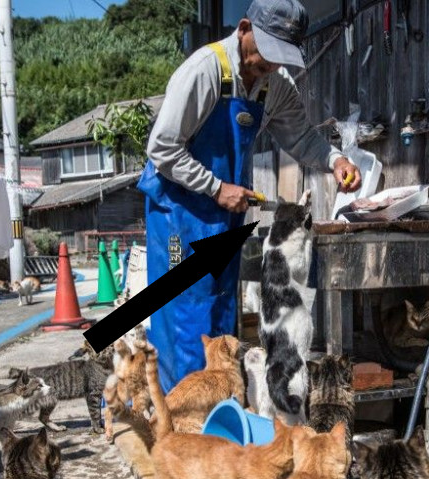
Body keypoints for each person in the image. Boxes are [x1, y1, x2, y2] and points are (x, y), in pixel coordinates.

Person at [138, 0, 361, 392]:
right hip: (178, 212)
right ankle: (182, 426)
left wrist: (335, 159)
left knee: (222, 316)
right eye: (266, 55)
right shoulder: (203, 72)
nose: (269, 68)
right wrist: (215, 187)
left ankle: (218, 419)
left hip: (223, 216)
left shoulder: (273, 87)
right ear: (244, 28)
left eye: (280, 59)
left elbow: (303, 138)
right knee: (183, 318)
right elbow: (163, 149)